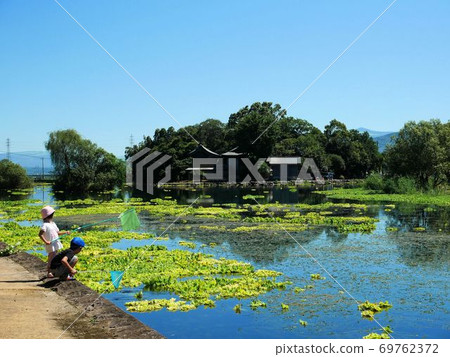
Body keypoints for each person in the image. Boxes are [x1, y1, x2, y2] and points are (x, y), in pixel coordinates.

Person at [38, 206, 70, 278]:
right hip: (50, 244)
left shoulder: (53, 224)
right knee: (51, 257)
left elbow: (57, 232)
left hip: (55, 243)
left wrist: (65, 232)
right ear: (50, 215)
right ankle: (49, 272)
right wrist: (46, 241)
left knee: (55, 257)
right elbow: (40, 234)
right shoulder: (45, 225)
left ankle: (54, 270)